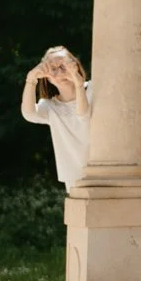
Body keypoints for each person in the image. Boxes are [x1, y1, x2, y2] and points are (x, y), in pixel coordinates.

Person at [20, 46, 92, 189]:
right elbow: (29, 114)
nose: (59, 72)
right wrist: (31, 79)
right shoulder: (51, 106)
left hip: (104, 170)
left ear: (75, 66)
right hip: (74, 176)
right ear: (48, 78)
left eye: (64, 66)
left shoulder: (94, 89)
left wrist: (77, 82)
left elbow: (83, 116)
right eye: (52, 69)